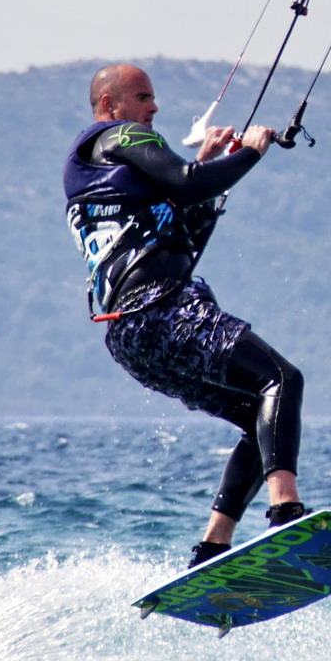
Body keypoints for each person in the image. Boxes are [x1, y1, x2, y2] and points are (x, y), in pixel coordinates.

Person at [62, 63, 310, 568]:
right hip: (163, 311)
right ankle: (286, 513)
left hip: (133, 339)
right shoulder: (115, 135)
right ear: (111, 105)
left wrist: (209, 160)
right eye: (143, 96)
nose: (154, 108)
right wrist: (250, 153)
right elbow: (185, 181)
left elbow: (184, 238)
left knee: (258, 420)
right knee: (283, 381)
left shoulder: (109, 179)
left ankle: (213, 547)